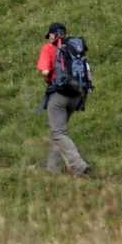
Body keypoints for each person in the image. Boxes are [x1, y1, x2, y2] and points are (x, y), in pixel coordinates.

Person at [37, 23, 91, 178]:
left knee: (59, 132)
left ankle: (78, 165)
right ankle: (52, 170)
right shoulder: (74, 47)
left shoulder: (49, 48)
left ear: (53, 35)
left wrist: (47, 72)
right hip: (77, 95)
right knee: (57, 132)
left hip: (59, 95)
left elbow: (45, 71)